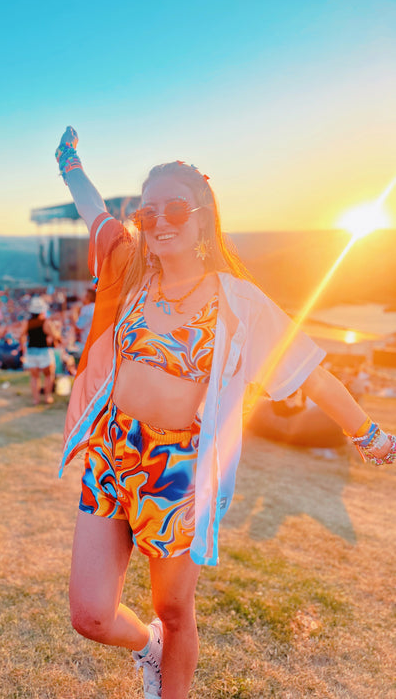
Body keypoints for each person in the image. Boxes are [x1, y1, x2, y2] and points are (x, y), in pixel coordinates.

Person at [54, 126, 395, 699]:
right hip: (113, 452)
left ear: (204, 218)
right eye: (148, 211)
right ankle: (148, 646)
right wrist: (70, 165)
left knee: (173, 606)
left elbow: (310, 372)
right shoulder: (135, 271)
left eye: (176, 209)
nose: (160, 221)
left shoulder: (238, 301)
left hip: (179, 470)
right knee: (89, 615)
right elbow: (96, 214)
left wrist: (371, 434)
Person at [20, 296, 56, 404]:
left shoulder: (27, 322)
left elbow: (21, 336)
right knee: (48, 375)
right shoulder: (45, 322)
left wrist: (23, 348)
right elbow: (54, 335)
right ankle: (47, 397)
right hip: (44, 351)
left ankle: (36, 399)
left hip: (31, 352)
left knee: (34, 377)